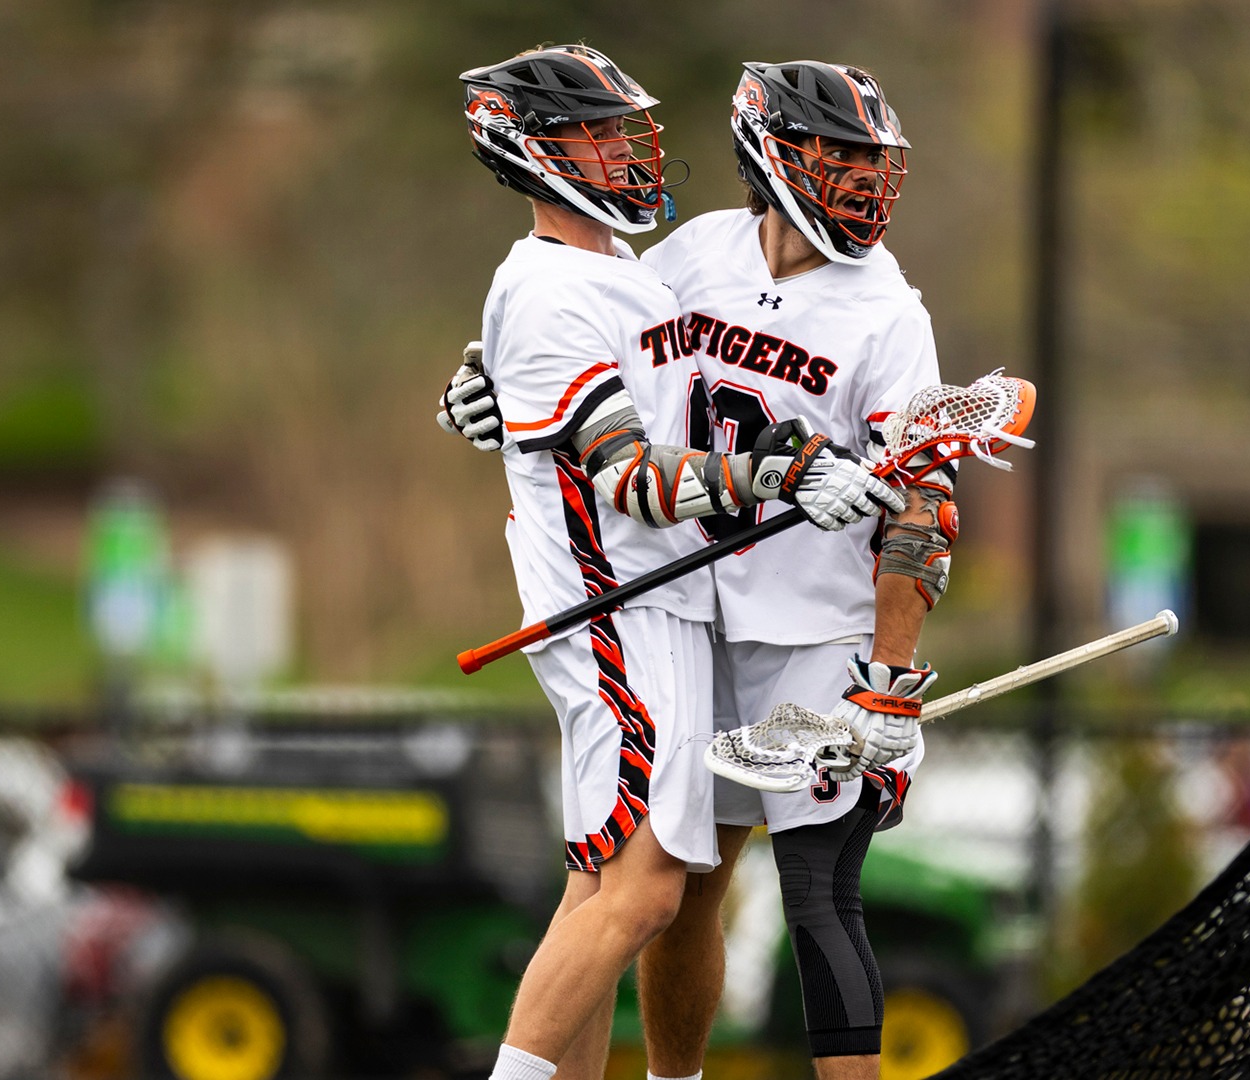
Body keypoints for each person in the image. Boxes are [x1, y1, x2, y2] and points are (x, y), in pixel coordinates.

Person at [450, 46, 902, 1080]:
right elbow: (628, 476)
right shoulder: (553, 287)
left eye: (623, 130)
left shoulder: (614, 270)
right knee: (648, 891)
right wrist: (783, 474)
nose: (624, 150)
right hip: (614, 607)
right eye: (597, 135)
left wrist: (479, 388)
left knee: (602, 893)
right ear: (530, 149)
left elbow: (626, 394)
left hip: (659, 611)